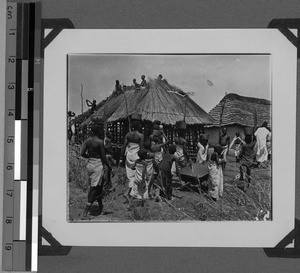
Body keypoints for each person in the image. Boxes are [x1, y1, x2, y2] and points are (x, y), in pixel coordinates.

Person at [80, 124, 113, 219]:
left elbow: (82, 153)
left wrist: (90, 157)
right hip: (98, 165)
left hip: (90, 164)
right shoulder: (99, 142)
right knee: (94, 189)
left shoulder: (87, 141)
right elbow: (103, 157)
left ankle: (100, 207)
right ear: (98, 131)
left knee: (98, 187)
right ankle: (85, 213)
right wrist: (109, 167)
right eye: (101, 130)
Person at [121, 116, 144, 200]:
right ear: (139, 124)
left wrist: (121, 158)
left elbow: (123, 147)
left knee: (130, 175)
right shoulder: (140, 136)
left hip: (129, 156)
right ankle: (129, 193)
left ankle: (130, 192)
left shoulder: (128, 135)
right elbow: (141, 150)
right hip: (136, 155)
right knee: (136, 175)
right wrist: (142, 159)